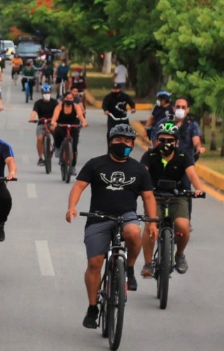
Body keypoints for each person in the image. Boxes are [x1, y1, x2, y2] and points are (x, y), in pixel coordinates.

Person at [65, 124, 158, 329]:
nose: (122, 144)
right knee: (95, 263)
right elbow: (79, 186)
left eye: (127, 141)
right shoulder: (95, 164)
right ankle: (92, 308)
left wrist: (152, 222)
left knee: (133, 231)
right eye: (118, 140)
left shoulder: (139, 169)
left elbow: (149, 197)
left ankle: (130, 268)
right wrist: (72, 207)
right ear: (110, 141)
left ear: (133, 144)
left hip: (127, 215)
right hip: (98, 217)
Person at [139, 122, 204, 277]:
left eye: (170, 140)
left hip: (178, 196)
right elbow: (142, 174)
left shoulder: (183, 156)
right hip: (154, 197)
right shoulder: (150, 155)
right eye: (162, 140)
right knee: (150, 226)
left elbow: (192, 174)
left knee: (183, 226)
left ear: (176, 142)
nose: (166, 144)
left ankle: (180, 254)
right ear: (156, 141)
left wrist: (199, 189)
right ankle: (148, 264)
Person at [151, 97, 205, 219]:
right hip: (165, 161)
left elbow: (196, 140)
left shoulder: (192, 124)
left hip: (184, 163)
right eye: (178, 107)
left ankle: (185, 218)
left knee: (186, 190)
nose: (180, 109)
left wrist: (199, 148)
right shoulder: (164, 122)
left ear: (188, 110)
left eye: (183, 107)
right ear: (174, 108)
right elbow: (154, 140)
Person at [51, 92, 88, 175]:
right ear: (64, 99)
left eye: (71, 98)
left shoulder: (76, 106)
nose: (69, 100)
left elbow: (81, 116)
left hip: (73, 126)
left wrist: (83, 122)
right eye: (67, 98)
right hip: (61, 125)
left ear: (73, 99)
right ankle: (57, 147)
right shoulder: (59, 106)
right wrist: (53, 122)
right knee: (57, 132)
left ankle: (73, 166)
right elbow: (55, 117)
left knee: (74, 148)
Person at [29, 85, 59, 166]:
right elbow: (34, 112)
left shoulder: (54, 102)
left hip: (51, 122)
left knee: (54, 129)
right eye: (45, 92)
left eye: (48, 92)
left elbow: (58, 111)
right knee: (39, 138)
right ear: (42, 93)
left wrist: (56, 120)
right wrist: (32, 118)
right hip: (41, 123)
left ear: (50, 92)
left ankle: (57, 144)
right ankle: (40, 158)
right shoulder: (38, 103)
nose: (46, 94)